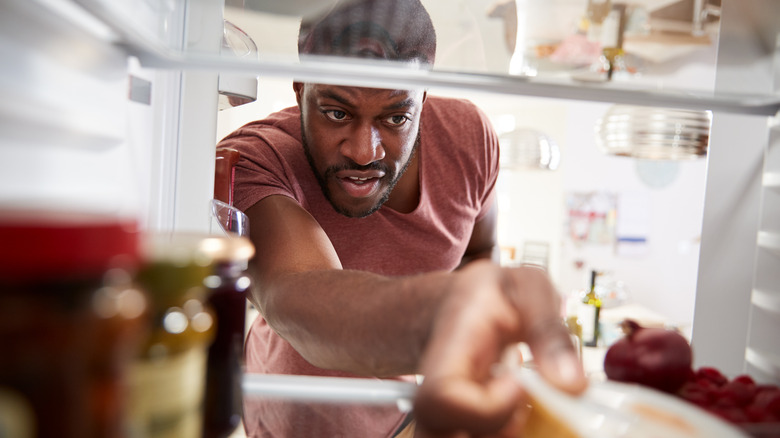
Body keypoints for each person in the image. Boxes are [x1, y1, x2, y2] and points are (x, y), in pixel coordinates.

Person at [217, 1, 587, 436]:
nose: (363, 151)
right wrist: (458, 321)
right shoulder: (255, 159)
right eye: (337, 113)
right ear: (301, 89)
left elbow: (480, 250)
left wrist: (470, 353)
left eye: (395, 117)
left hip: (407, 417)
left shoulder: (469, 139)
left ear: (422, 101)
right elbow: (293, 296)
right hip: (290, 422)